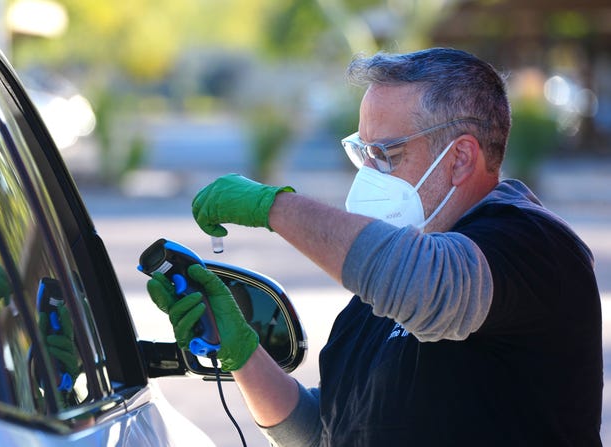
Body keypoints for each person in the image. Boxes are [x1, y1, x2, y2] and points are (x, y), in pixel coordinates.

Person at [147, 48, 602, 446]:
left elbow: (426, 286)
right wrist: (240, 351)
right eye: (362, 154)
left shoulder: (532, 245)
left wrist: (274, 208)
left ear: (460, 158)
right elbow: (324, 432)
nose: (368, 175)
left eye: (387, 155)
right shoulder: (374, 299)